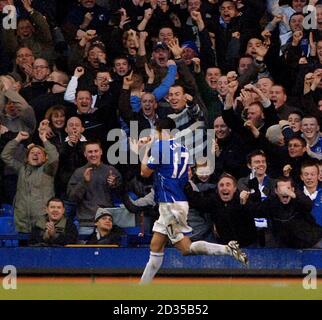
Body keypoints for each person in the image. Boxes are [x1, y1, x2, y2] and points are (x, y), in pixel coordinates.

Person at [139, 118, 248, 285]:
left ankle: (227, 249)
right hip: (178, 202)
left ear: (160, 131)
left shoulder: (159, 146)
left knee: (185, 248)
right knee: (155, 246)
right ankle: (141, 289)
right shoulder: (184, 150)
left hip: (170, 204)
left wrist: (146, 148)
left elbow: (144, 172)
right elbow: (182, 178)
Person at [0, 123, 59, 233]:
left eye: (39, 153)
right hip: (22, 222)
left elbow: (54, 158)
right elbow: (5, 156)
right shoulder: (21, 168)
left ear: (45, 158)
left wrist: (44, 140)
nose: (35, 155)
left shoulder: (48, 170)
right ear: (27, 158)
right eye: (32, 153)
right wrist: (17, 139)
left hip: (42, 223)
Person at [67, 141, 122, 235]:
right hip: (86, 224)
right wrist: (84, 182)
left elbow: (121, 195)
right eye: (90, 152)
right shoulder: (79, 172)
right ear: (85, 154)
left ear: (101, 152)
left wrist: (114, 184)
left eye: (96, 151)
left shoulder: (111, 171)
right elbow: (72, 198)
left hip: (106, 223)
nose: (93, 154)